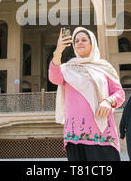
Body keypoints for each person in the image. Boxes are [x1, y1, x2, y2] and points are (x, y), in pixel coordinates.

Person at [49, 27, 125, 161]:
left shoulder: (104, 67)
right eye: (76, 40)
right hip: (75, 135)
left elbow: (119, 93)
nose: (79, 43)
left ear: (92, 43)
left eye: (84, 40)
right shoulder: (66, 68)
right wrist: (58, 51)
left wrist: (108, 101)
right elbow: (54, 78)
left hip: (101, 133)